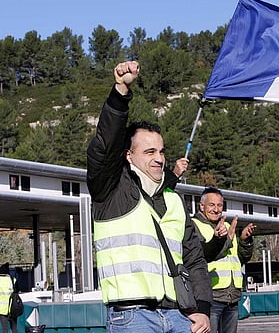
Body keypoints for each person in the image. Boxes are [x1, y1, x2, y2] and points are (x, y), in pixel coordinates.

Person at [87, 61, 211, 333]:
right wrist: (121, 91)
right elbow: (105, 147)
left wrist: (202, 309)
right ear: (129, 156)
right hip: (132, 318)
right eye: (149, 152)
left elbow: (195, 260)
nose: (158, 159)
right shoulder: (112, 190)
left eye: (161, 151)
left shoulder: (175, 201)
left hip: (180, 316)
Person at [192, 187, 256, 333]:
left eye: (219, 205)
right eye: (211, 205)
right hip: (211, 297)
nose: (216, 210)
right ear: (201, 206)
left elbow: (240, 258)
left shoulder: (227, 226)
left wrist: (245, 241)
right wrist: (224, 240)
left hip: (232, 297)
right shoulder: (194, 226)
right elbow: (204, 255)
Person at [0, 263, 17, 333]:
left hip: (2, 310)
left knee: (4, 329)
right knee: (14, 328)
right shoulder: (13, 280)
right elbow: (17, 291)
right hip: (13, 308)